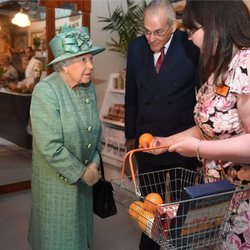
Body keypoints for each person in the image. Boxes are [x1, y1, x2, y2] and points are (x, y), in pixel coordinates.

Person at [148, 0, 250, 249]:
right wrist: (170, 141)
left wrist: (198, 150)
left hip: (243, 197)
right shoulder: (221, 65)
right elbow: (210, 127)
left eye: (193, 31)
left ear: (215, 25)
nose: (190, 39)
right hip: (220, 191)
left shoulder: (247, 63)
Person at [124, 0, 199, 249]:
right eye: (147, 31)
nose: (151, 38)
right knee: (149, 203)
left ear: (173, 26)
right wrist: (130, 136)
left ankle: (179, 245)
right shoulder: (136, 48)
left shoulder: (189, 45)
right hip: (148, 137)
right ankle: (149, 244)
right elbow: (131, 95)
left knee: (181, 205)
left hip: (182, 138)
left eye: (158, 32)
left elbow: (201, 91)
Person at [28, 26, 105, 250]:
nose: (91, 65)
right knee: (58, 237)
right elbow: (50, 146)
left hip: (86, 178)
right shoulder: (46, 91)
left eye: (90, 58)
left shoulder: (87, 87)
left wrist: (94, 163)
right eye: (83, 59)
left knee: (80, 236)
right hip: (58, 182)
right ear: (64, 64)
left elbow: (95, 131)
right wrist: (82, 173)